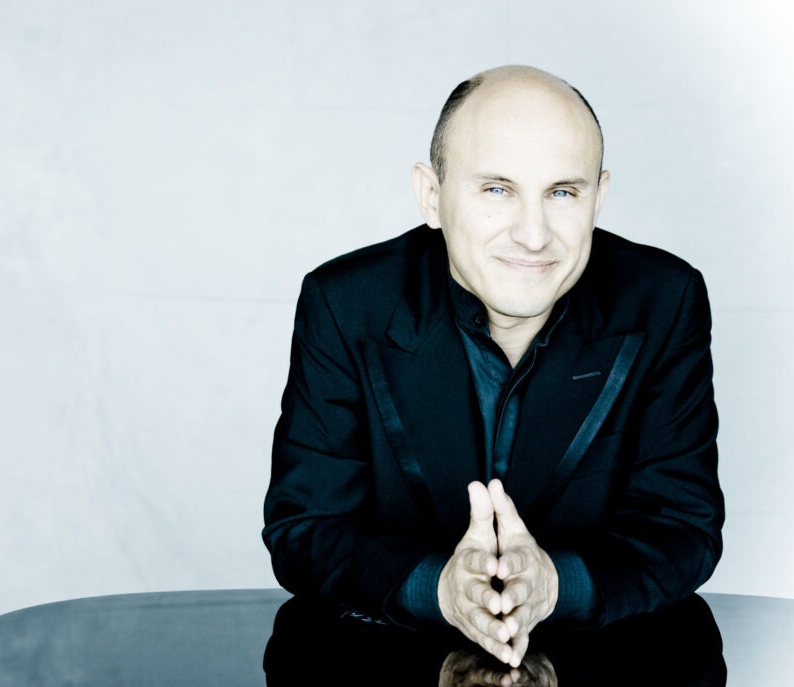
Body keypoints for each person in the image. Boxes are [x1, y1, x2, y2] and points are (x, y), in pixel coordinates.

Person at [261, 64, 724, 668]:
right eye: (497, 190)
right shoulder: (346, 304)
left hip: (605, 665)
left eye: (563, 192)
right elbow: (306, 527)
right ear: (431, 196)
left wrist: (554, 584)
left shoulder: (664, 300)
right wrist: (440, 590)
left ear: (599, 198)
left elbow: (683, 528)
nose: (533, 235)